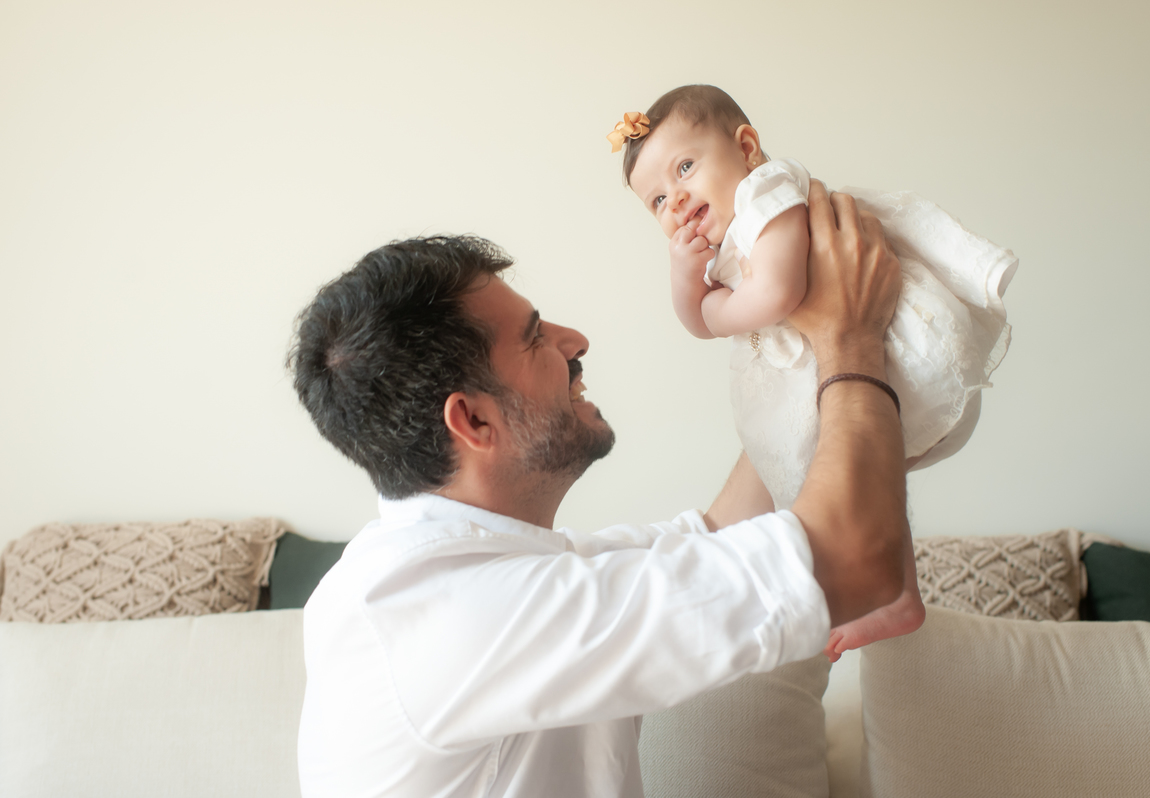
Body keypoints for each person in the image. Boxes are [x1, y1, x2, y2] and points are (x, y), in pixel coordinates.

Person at [289, 182, 909, 797]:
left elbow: (723, 533)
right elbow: (855, 559)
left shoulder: (487, 570)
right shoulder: (447, 617)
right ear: (473, 421)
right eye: (535, 337)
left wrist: (797, 346)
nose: (575, 341)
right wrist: (849, 337)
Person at [615, 84, 1018, 659]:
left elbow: (777, 292)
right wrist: (685, 274)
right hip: (832, 365)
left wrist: (717, 311)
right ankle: (899, 596)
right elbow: (697, 323)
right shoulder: (724, 235)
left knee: (855, 475)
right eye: (656, 200)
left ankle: (890, 592)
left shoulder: (767, 194)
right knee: (859, 483)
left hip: (890, 353)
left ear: (747, 147)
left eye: (684, 168)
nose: (675, 199)